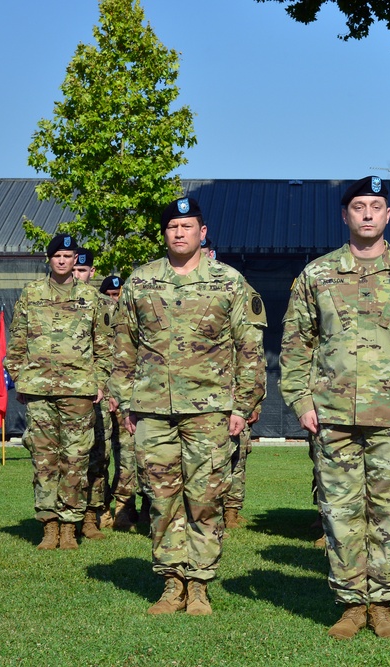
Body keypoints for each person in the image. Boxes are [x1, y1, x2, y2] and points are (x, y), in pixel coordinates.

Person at [280, 175, 390, 640]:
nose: (368, 214)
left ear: (389, 215)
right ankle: (352, 603)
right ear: (345, 215)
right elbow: (296, 345)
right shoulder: (316, 276)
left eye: (377, 206)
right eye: (359, 206)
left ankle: (383, 603)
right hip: (332, 415)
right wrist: (300, 402)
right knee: (340, 513)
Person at [110, 196, 267, 615]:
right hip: (153, 409)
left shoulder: (229, 282)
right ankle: (171, 582)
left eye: (187, 226)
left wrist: (242, 405)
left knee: (205, 497)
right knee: (161, 498)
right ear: (164, 234)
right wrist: (125, 401)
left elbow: (249, 348)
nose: (179, 233)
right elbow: (122, 346)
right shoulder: (140, 282)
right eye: (172, 228)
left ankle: (198, 584)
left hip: (210, 409)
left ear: (203, 231)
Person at [5, 233, 111, 551]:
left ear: (76, 259)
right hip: (38, 388)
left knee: (76, 459)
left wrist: (100, 382)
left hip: (79, 388)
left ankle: (70, 526)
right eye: (57, 256)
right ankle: (49, 525)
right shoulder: (31, 293)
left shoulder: (92, 298)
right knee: (44, 460)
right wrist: (18, 376)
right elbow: (18, 338)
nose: (63, 261)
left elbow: (103, 344)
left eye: (68, 256)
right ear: (49, 259)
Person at [97, 275, 147, 531]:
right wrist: (107, 392)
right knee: (101, 456)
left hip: (131, 396)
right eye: (110, 294)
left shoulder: (134, 318)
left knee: (130, 456)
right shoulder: (97, 316)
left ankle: (125, 509)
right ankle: (101, 508)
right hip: (104, 397)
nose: (113, 299)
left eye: (118, 295)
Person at [71, 247, 113, 538]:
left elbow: (113, 352)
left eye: (83, 271)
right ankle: (66, 516)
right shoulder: (56, 301)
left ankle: (91, 516)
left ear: (92, 272)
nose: (78, 275)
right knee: (67, 458)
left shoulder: (105, 305)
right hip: (67, 393)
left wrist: (110, 390)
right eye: (74, 270)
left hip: (97, 393)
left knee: (97, 457)